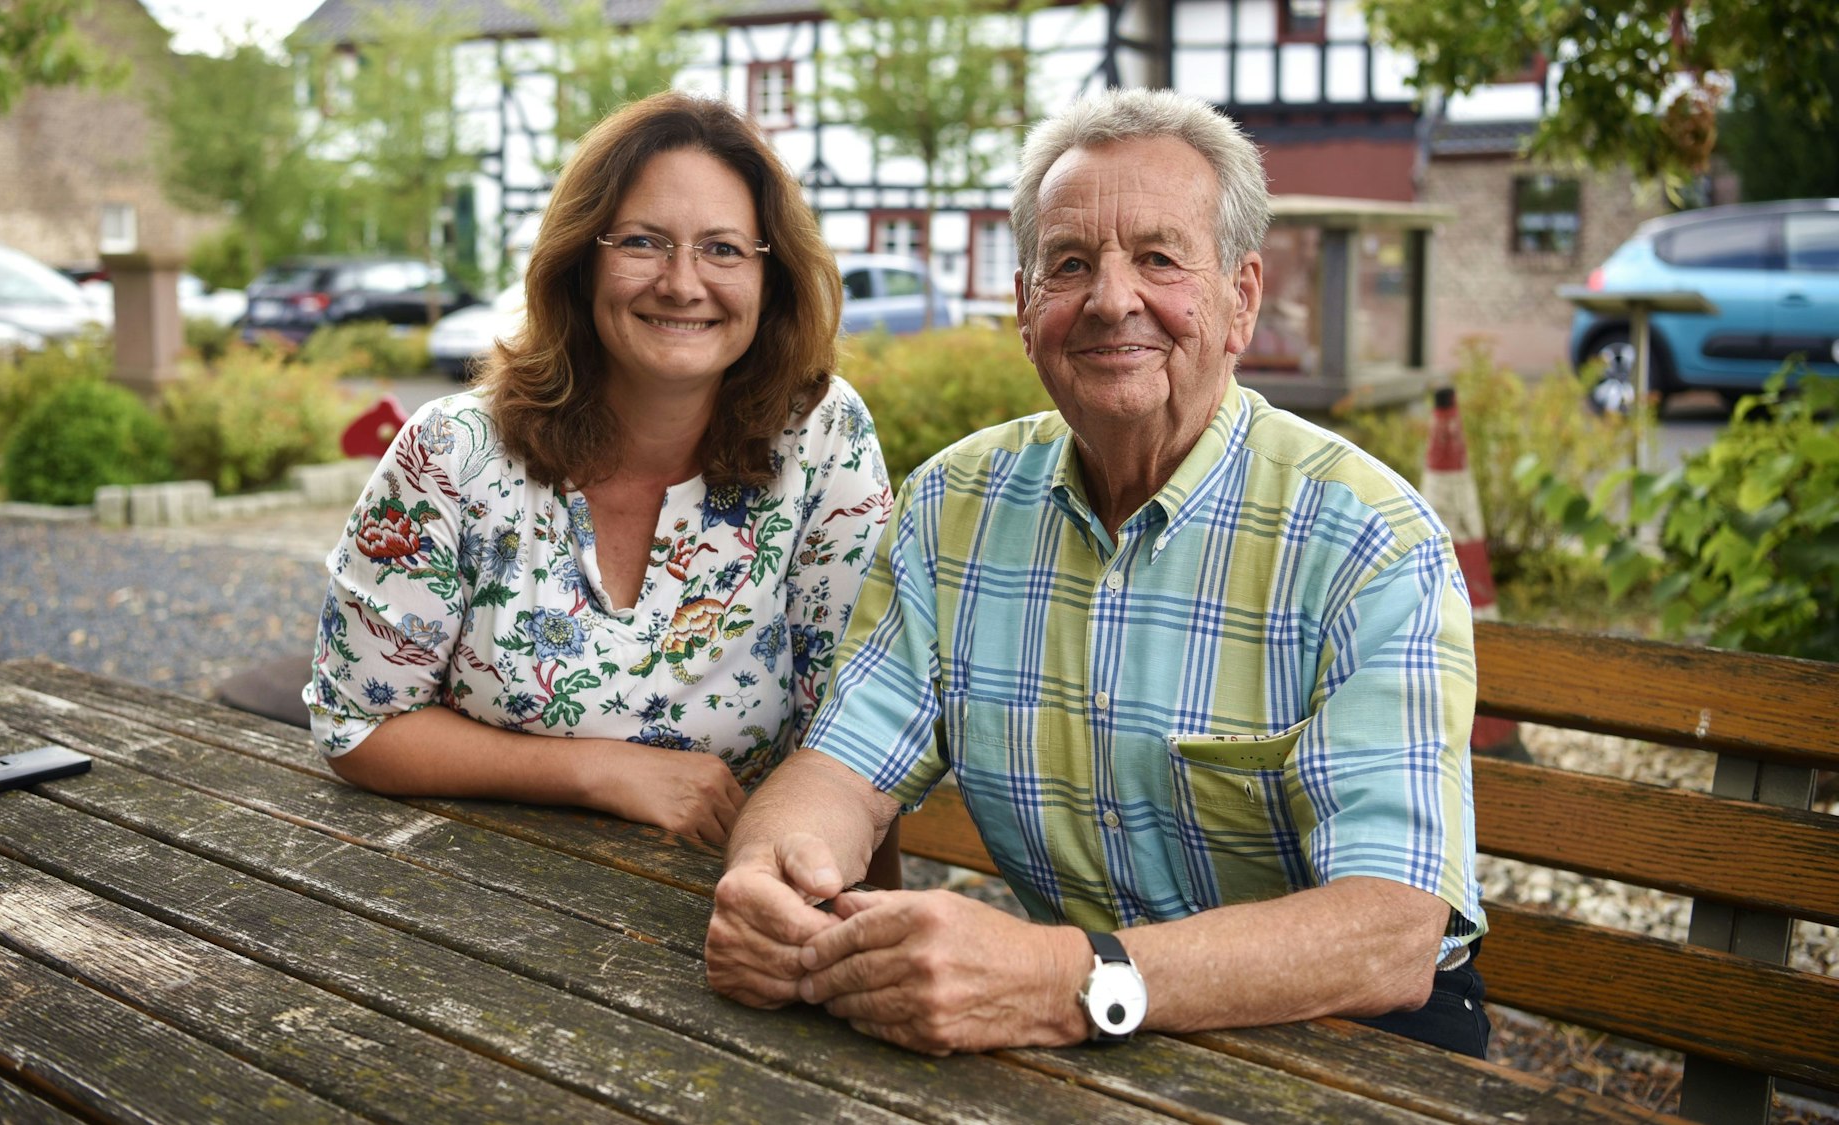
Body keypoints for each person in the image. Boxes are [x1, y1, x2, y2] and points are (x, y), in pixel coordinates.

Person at [704, 86, 1488, 1058]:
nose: (1112, 300)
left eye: (1158, 258)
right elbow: (838, 770)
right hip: (1091, 1029)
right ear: (1025, 306)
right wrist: (774, 880)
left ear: (1239, 299)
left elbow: (1390, 931)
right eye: (1070, 264)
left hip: (1348, 1038)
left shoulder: (1365, 538)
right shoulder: (955, 503)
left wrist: (1061, 979)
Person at [306, 92, 897, 879]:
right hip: (465, 893)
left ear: (771, 275)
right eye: (645, 242)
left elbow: (858, 728)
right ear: (583, 258)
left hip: (724, 901)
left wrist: (860, 922)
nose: (683, 283)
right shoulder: (451, 453)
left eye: (722, 248)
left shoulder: (821, 435)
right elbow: (357, 723)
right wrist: (601, 768)